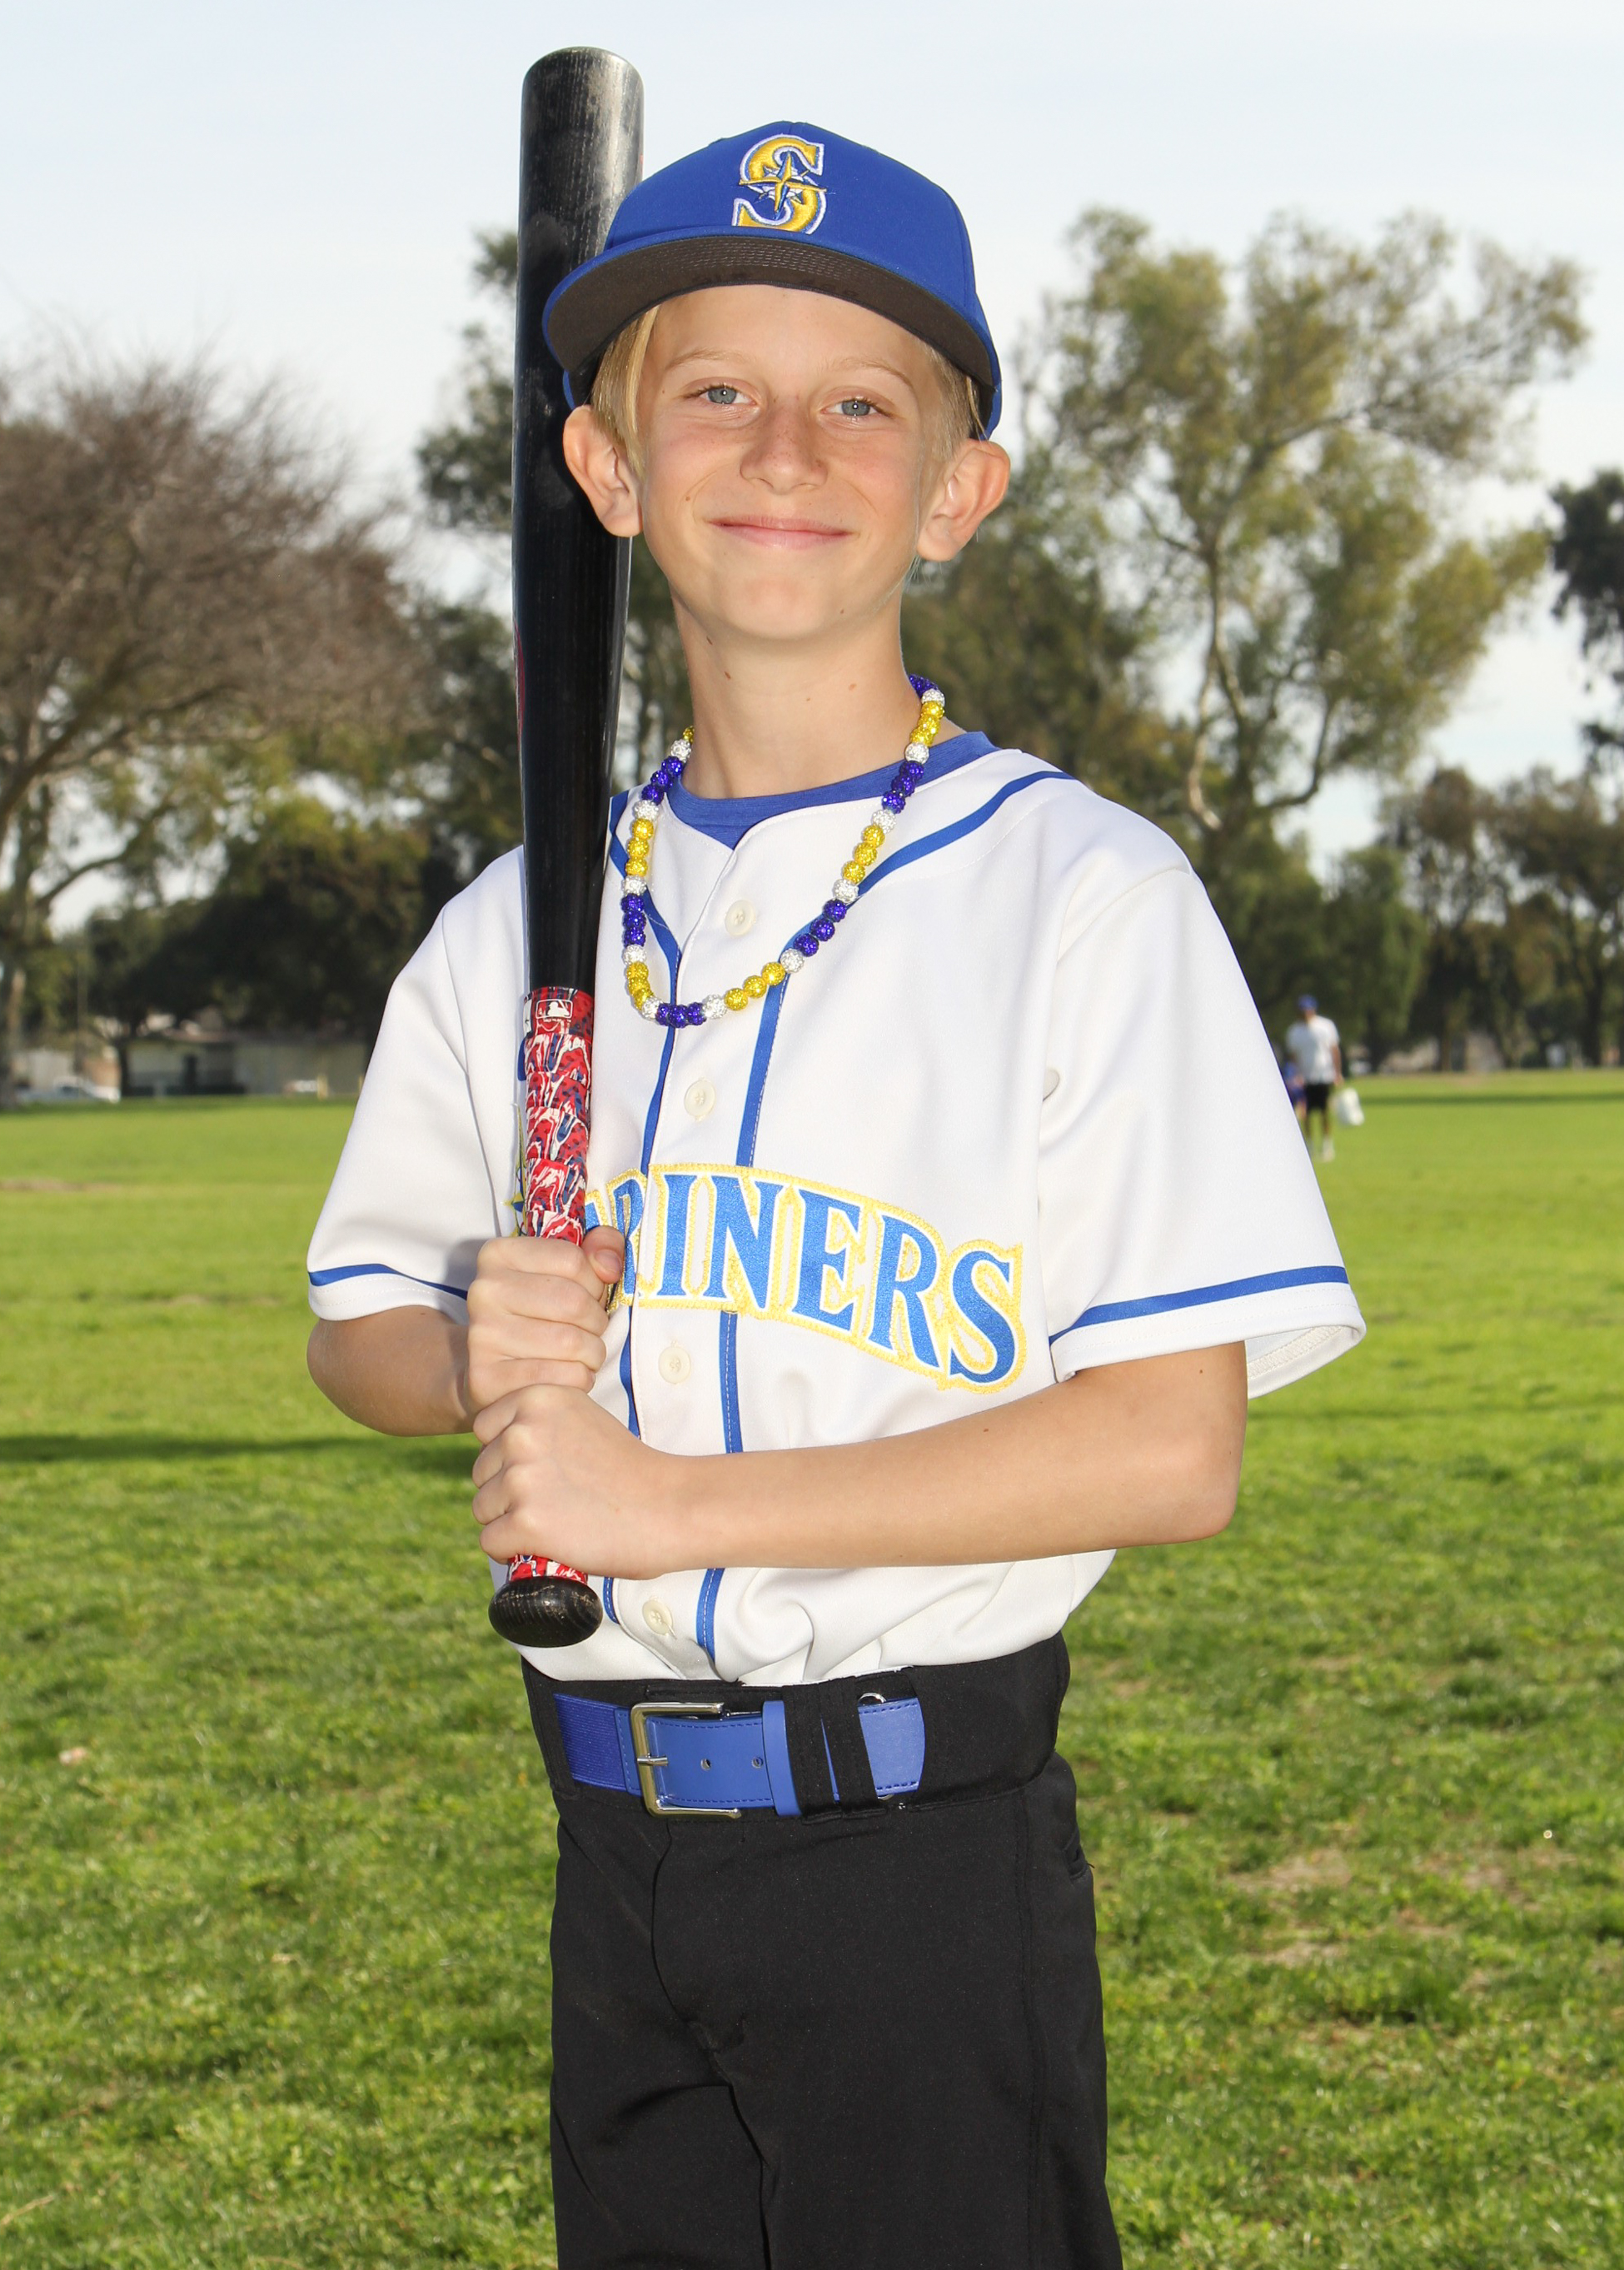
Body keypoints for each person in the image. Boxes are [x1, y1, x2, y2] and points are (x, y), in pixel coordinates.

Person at [306, 124, 1364, 2270]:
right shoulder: (519, 921)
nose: (782, 447)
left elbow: (1169, 1447)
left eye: (861, 403)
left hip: (919, 1857)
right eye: (711, 389)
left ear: (956, 491)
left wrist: (668, 1505)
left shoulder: (1082, 893)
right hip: (609, 1844)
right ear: (605, 469)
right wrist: (470, 1352)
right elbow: (361, 1334)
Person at [1284, 993, 1343, 1163]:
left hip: (1324, 1075)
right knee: (1306, 1113)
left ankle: (1326, 1144)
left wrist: (1337, 1073)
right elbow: (1294, 1056)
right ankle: (1309, 1145)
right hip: (1305, 1077)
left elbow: (1334, 1050)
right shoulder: (1295, 1032)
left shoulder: (1325, 1027)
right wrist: (1295, 1075)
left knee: (1325, 1111)